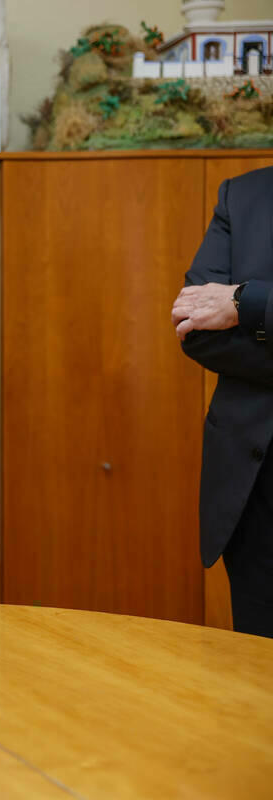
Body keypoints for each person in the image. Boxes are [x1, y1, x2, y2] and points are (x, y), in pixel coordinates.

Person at [172, 165, 273, 639]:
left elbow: (232, 322)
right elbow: (195, 332)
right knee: (257, 683)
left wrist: (246, 304)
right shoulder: (242, 194)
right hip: (254, 497)